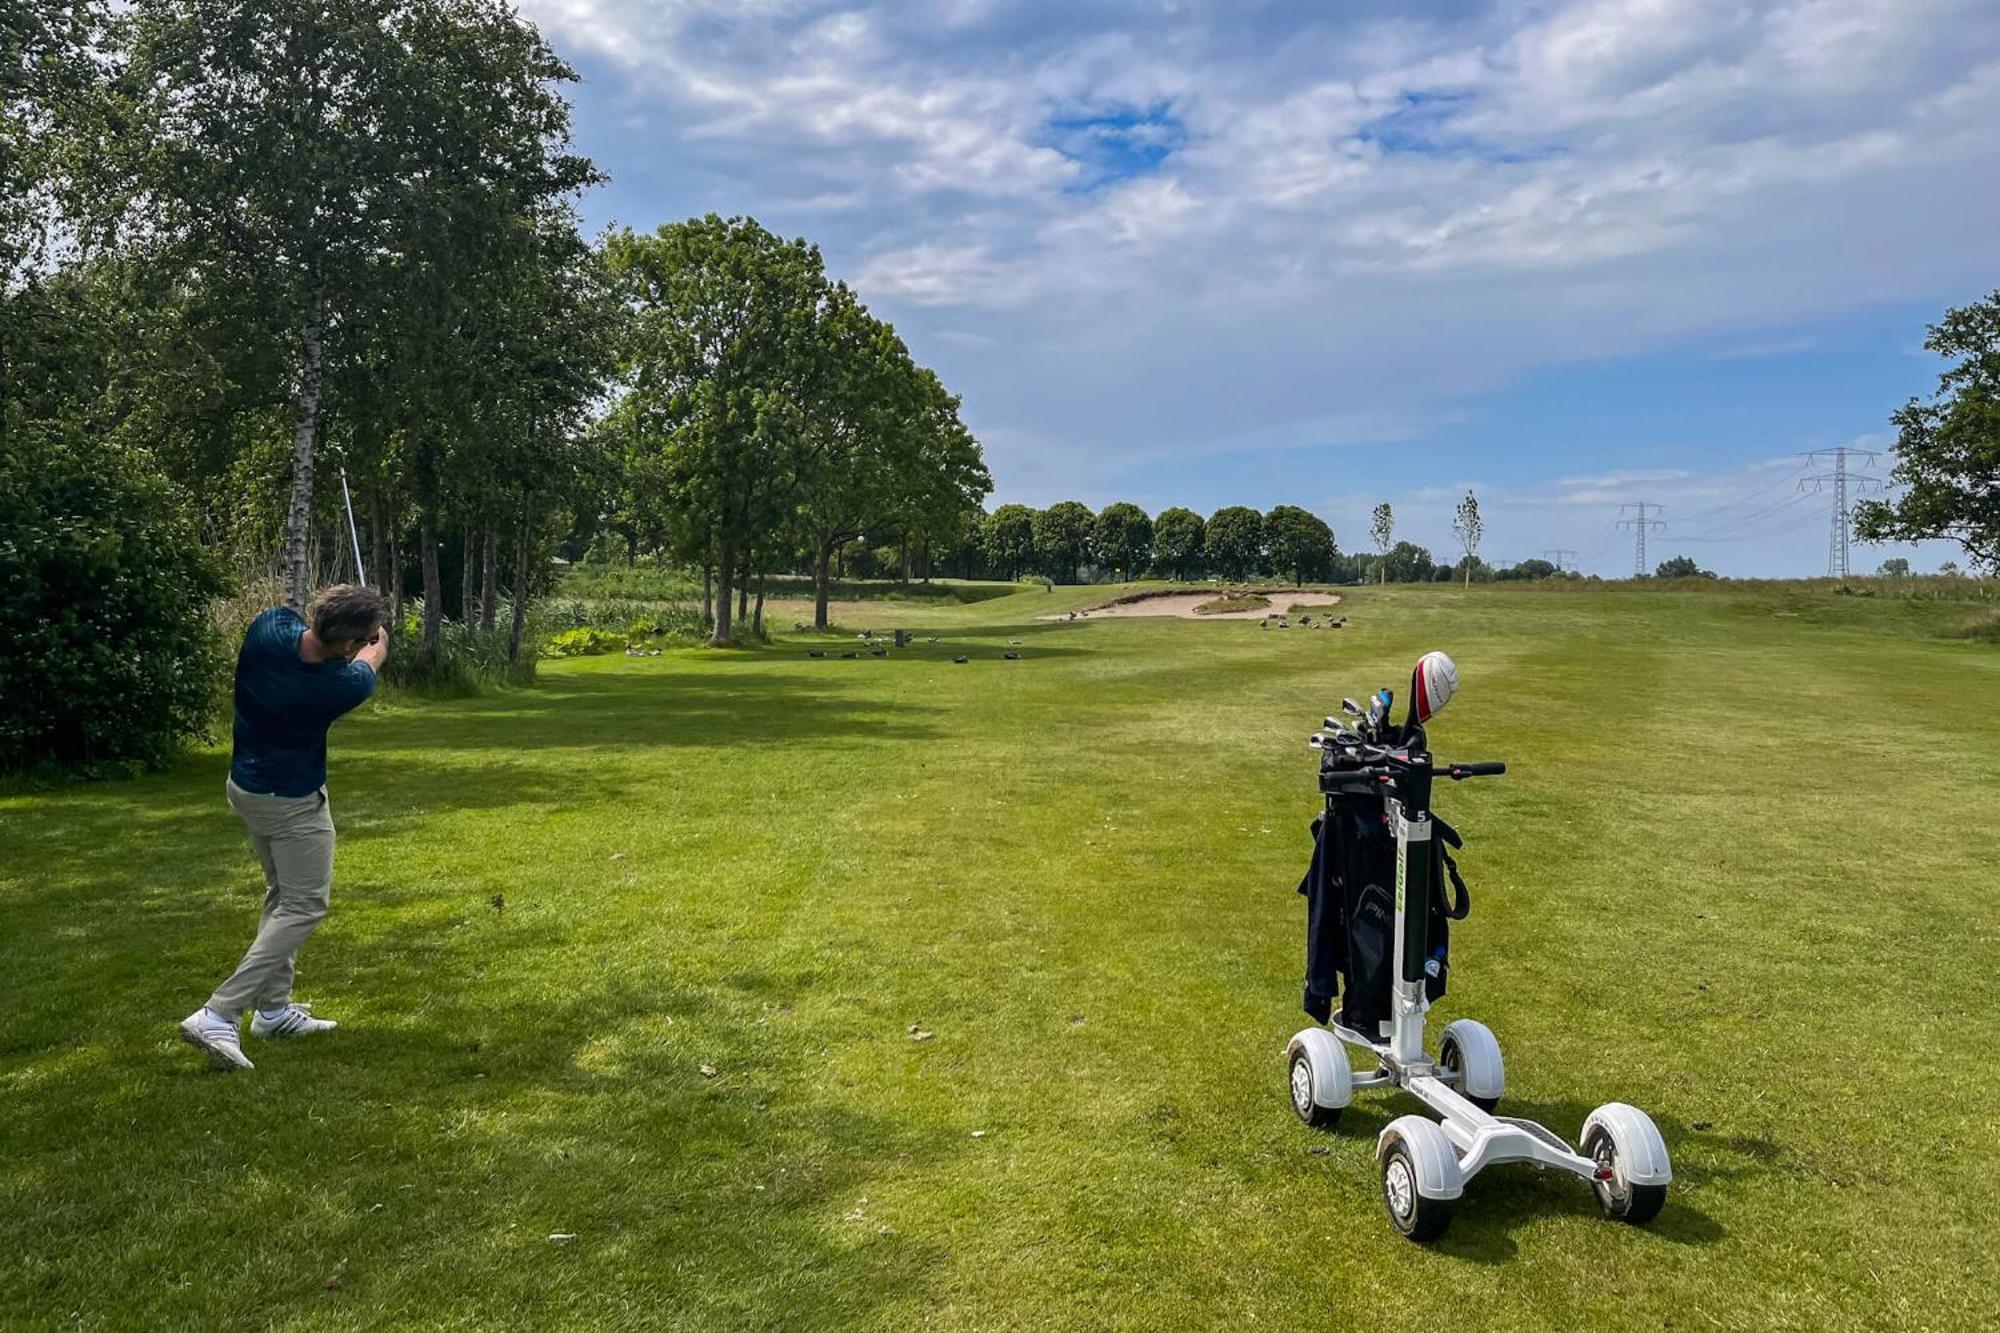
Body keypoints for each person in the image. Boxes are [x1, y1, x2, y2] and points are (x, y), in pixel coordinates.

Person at [179, 584, 390, 1071]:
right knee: (304, 905)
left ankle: (272, 1012)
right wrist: (377, 643)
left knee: (281, 896)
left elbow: (316, 637)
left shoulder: (267, 629)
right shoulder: (339, 686)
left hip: (246, 787)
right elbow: (367, 664)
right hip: (292, 801)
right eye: (354, 641)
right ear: (346, 642)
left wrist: (356, 626)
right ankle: (219, 1012)